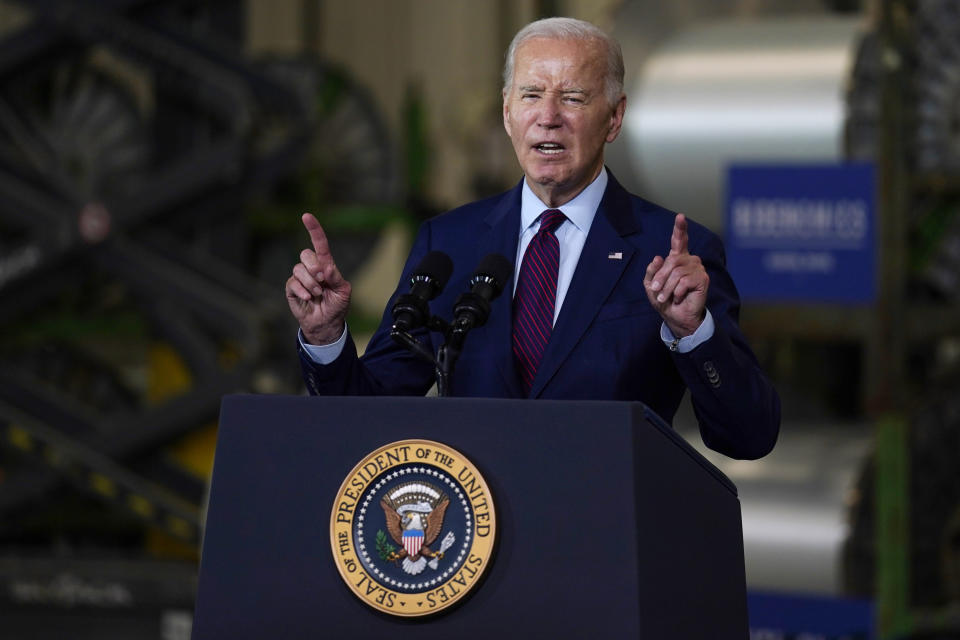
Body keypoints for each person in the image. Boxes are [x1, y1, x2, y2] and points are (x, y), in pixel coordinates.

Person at [285, 17, 780, 460]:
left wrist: (693, 334)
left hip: (609, 540)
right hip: (474, 543)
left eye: (572, 98)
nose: (548, 116)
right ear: (506, 113)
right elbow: (367, 416)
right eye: (530, 95)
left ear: (614, 117)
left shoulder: (671, 252)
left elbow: (748, 436)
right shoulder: (450, 242)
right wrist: (326, 338)